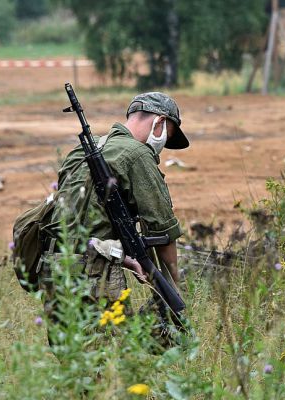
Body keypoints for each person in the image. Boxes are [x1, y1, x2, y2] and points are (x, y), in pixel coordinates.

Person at [39, 92, 188, 336]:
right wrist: (173, 289)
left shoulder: (79, 152)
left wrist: (128, 259)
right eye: (167, 135)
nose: (162, 146)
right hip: (95, 275)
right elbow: (163, 232)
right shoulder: (138, 154)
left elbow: (78, 225)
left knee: (73, 361)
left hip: (53, 268)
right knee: (111, 363)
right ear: (159, 122)